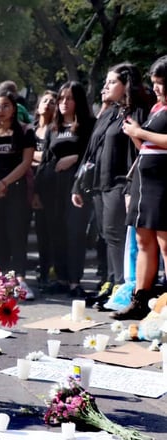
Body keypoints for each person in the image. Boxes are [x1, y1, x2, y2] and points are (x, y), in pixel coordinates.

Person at [72, 62, 150, 309]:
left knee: (117, 236)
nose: (106, 86)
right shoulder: (108, 112)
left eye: (112, 81)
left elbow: (141, 152)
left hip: (121, 183)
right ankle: (112, 283)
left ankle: (123, 288)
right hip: (99, 184)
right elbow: (91, 151)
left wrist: (131, 187)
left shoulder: (137, 112)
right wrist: (78, 184)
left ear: (126, 84)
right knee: (106, 235)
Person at [113, 55, 167, 319]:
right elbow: (146, 147)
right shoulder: (157, 108)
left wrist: (141, 133)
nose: (156, 88)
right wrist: (135, 134)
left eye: (161, 83)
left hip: (163, 182)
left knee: (165, 243)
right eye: (154, 83)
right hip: (144, 180)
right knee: (142, 239)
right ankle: (140, 299)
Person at [36, 82, 94, 298]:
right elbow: (45, 161)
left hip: (77, 186)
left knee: (74, 232)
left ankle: (74, 280)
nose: (63, 103)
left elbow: (93, 154)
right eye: (61, 98)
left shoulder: (89, 125)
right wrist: (36, 192)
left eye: (69, 98)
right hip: (51, 186)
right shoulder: (53, 128)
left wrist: (75, 158)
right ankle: (60, 278)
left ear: (78, 101)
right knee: (56, 232)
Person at [0, 89, 36, 297]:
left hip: (16, 189)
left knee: (16, 234)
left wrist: (3, 183)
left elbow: (26, 162)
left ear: (14, 109)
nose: (0, 111)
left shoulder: (25, 131)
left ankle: (20, 280)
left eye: (5, 106)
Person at [31, 90, 57, 288]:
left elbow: (49, 156)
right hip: (26, 182)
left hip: (47, 185)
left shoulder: (55, 130)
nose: (47, 104)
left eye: (52, 102)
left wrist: (30, 156)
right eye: (45, 100)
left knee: (48, 230)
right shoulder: (30, 129)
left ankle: (49, 268)